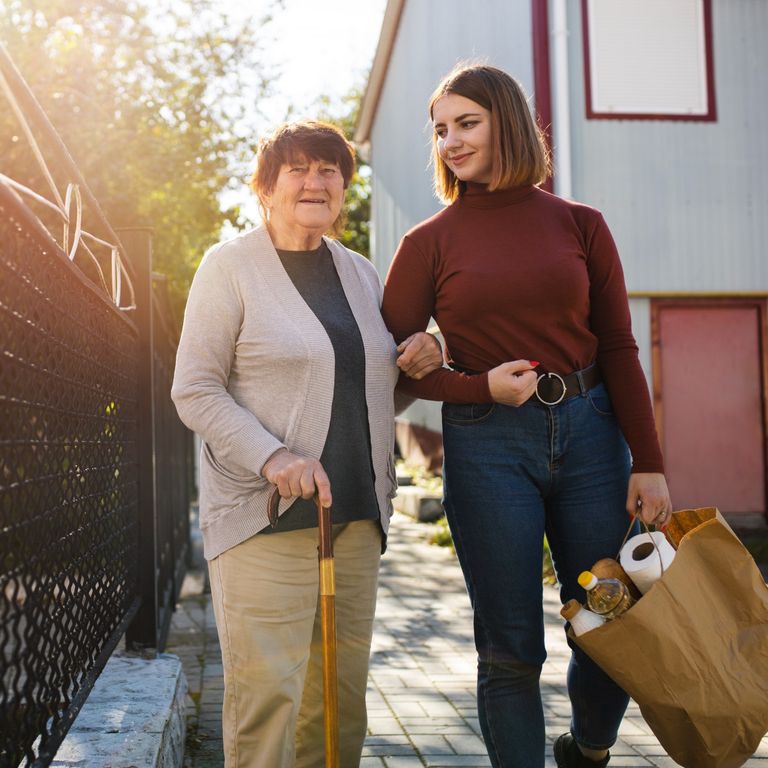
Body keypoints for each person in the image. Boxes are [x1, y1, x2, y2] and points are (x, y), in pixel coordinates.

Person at [381, 64, 673, 768]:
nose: (450, 141)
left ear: (506, 121)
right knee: (510, 647)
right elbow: (389, 371)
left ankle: (590, 749)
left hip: (594, 439)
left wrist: (652, 461)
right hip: (488, 451)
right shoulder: (428, 242)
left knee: (609, 625)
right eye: (441, 130)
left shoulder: (582, 225)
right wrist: (475, 384)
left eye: (467, 123)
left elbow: (620, 346)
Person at [171, 120, 442, 768]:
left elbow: (369, 391)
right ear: (266, 187)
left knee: (341, 709)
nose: (316, 181)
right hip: (265, 523)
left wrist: (429, 353)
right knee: (269, 707)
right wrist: (275, 456)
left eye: (330, 170)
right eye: (298, 169)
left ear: (344, 187)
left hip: (354, 522)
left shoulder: (360, 274)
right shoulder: (229, 267)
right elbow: (195, 389)